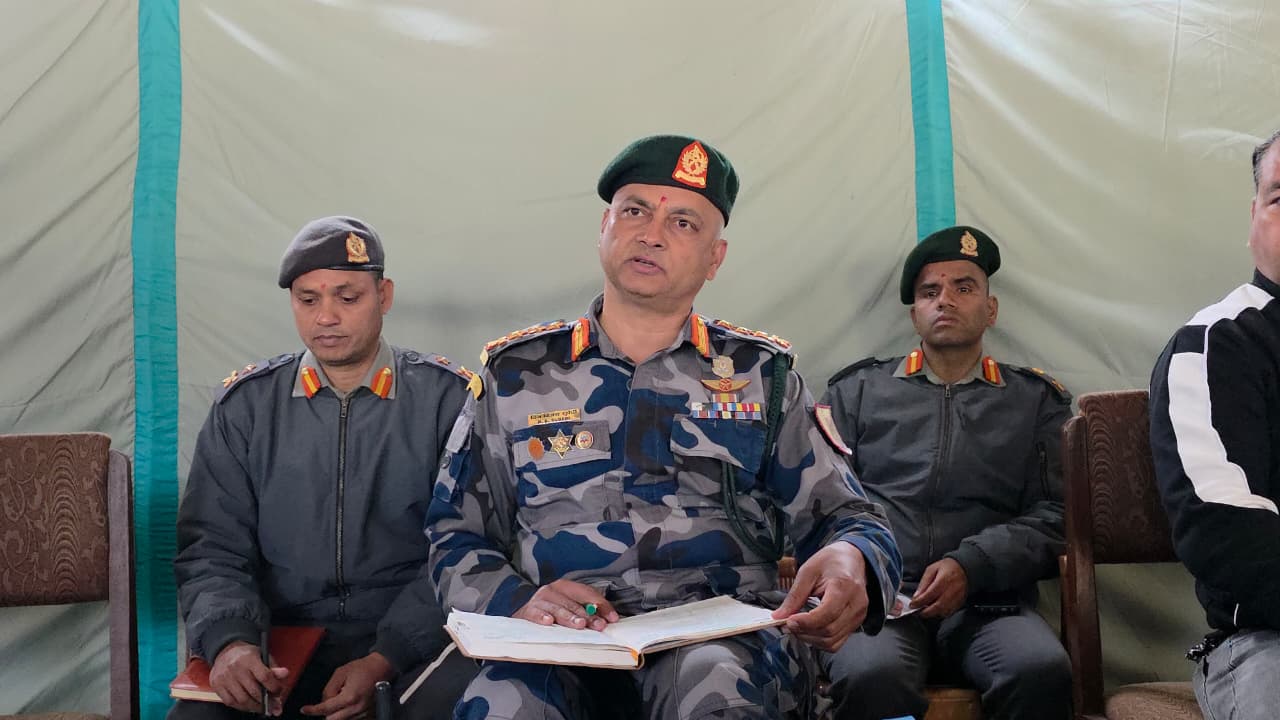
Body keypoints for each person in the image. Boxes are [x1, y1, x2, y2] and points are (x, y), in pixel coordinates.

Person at [426, 134, 902, 719]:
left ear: (714, 258)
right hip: (557, 642)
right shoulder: (516, 375)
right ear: (604, 227)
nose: (651, 234)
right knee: (504, 704)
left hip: (722, 644)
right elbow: (455, 532)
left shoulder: (761, 377)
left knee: (713, 686)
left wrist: (852, 558)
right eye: (635, 211)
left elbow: (849, 516)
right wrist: (518, 601)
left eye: (682, 223)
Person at [171, 216, 476, 720]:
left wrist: (386, 656)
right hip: (276, 645)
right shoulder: (246, 408)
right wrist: (231, 643)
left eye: (347, 297)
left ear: (384, 295)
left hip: (412, 645)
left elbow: (465, 548)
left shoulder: (447, 401)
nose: (326, 317)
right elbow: (212, 547)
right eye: (308, 300)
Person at [820, 225, 1072, 720]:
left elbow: (1058, 515)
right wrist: (866, 569)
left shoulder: (1035, 401)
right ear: (914, 314)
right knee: (869, 676)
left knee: (1040, 670)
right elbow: (825, 502)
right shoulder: (857, 392)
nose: (945, 301)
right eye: (929, 292)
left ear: (991, 309)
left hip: (990, 601)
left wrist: (972, 565)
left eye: (963, 287)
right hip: (880, 602)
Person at [1150, 129, 1280, 720]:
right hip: (1267, 640)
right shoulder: (1214, 345)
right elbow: (1223, 529)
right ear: (1254, 219)